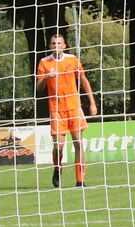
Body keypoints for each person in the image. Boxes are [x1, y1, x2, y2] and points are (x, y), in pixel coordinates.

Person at [36, 34, 97, 187]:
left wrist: (92, 102)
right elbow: (39, 87)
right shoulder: (44, 62)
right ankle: (57, 168)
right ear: (50, 46)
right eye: (53, 43)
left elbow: (83, 80)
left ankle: (80, 180)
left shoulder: (73, 60)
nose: (56, 45)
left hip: (74, 108)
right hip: (56, 110)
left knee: (78, 143)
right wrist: (46, 77)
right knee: (58, 147)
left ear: (64, 46)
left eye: (59, 43)